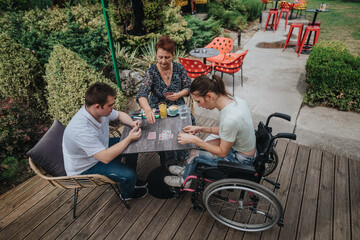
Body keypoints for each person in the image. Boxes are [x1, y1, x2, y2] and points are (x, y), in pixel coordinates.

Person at [164, 75, 257, 187]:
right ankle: (187, 170)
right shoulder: (235, 101)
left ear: (209, 96)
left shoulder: (230, 119)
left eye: (198, 101)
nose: (198, 105)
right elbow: (227, 131)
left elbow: (223, 152)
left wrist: (197, 140)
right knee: (200, 146)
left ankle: (184, 181)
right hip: (245, 149)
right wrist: (200, 128)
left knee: (194, 152)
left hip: (242, 160)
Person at [63, 82, 148, 200]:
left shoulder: (98, 111)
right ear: (97, 106)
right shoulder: (81, 129)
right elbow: (105, 157)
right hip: (87, 166)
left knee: (133, 145)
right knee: (129, 174)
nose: (113, 107)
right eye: (110, 105)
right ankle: (128, 194)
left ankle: (130, 180)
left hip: (101, 148)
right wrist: (128, 138)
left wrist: (132, 122)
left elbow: (119, 115)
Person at [136, 35, 193, 167]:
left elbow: (188, 87)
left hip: (177, 106)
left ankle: (181, 155)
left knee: (188, 122)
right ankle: (168, 160)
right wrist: (148, 109)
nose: (163, 61)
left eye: (167, 57)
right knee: (164, 130)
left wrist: (179, 94)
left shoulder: (179, 68)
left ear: (173, 55)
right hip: (157, 108)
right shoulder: (151, 71)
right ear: (156, 55)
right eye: (160, 57)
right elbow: (141, 94)